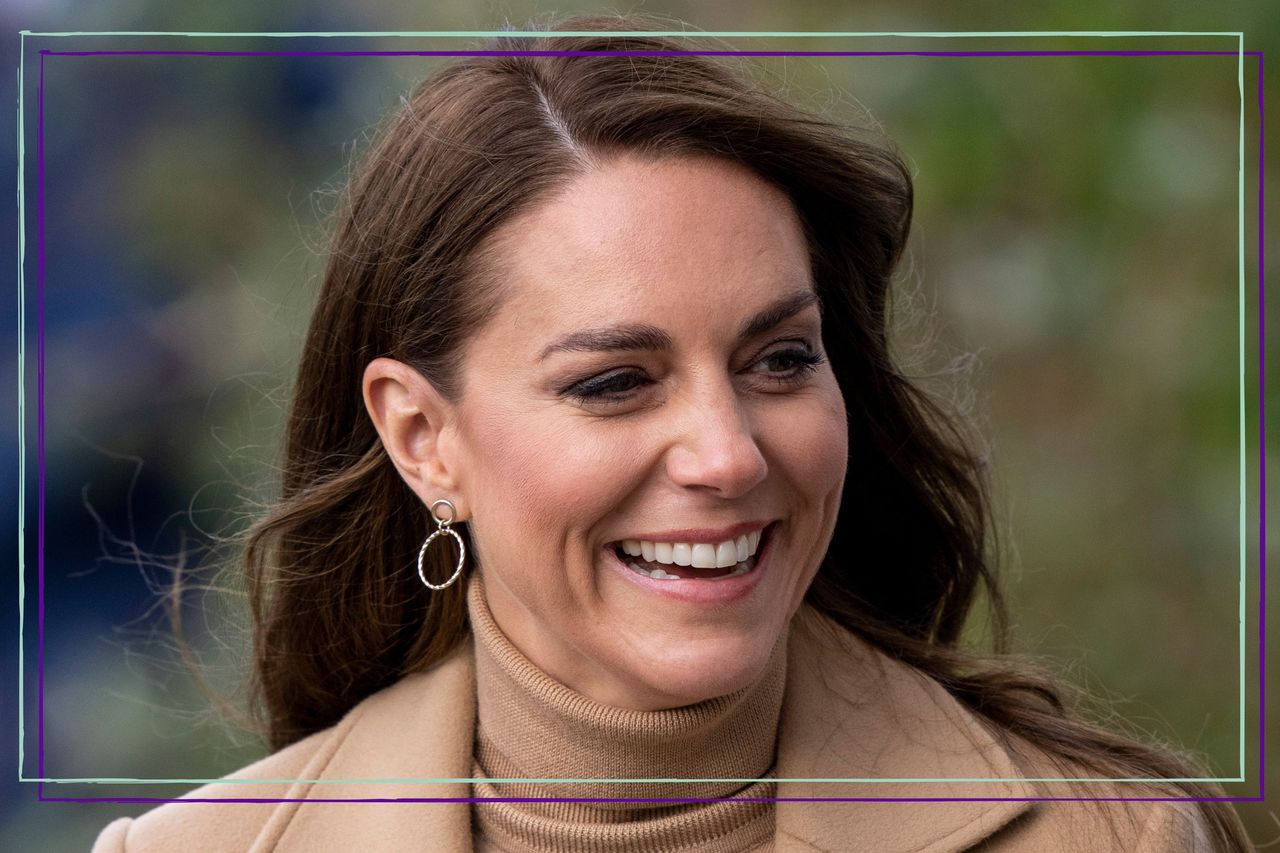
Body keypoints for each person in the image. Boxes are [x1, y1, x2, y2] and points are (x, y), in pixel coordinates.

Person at [93, 17, 1251, 852]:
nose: (728, 453)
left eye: (778, 360)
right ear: (421, 437)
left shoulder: (1107, 838)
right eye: (613, 381)